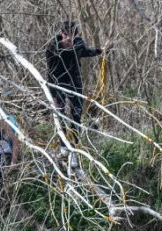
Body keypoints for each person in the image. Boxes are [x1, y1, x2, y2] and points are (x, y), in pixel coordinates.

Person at [45, 21, 112, 164]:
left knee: (76, 115)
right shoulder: (52, 49)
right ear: (62, 33)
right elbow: (50, 72)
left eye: (74, 36)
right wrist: (53, 95)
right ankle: (64, 146)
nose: (70, 40)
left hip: (75, 83)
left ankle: (74, 149)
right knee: (61, 114)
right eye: (68, 36)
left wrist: (100, 50)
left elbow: (84, 51)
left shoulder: (77, 44)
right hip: (58, 83)